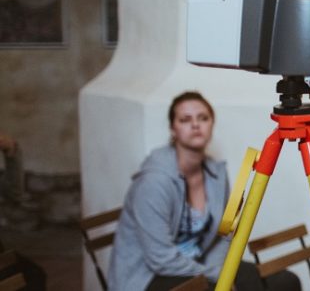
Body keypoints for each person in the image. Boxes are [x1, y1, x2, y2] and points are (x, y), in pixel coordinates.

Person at [109, 91, 300, 291]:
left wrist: (219, 273)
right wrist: (215, 277)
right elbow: (160, 258)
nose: (195, 125)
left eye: (203, 118)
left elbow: (222, 236)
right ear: (173, 129)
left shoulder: (216, 175)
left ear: (211, 125)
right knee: (212, 287)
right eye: (185, 119)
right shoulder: (153, 182)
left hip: (199, 263)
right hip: (149, 276)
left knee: (282, 280)